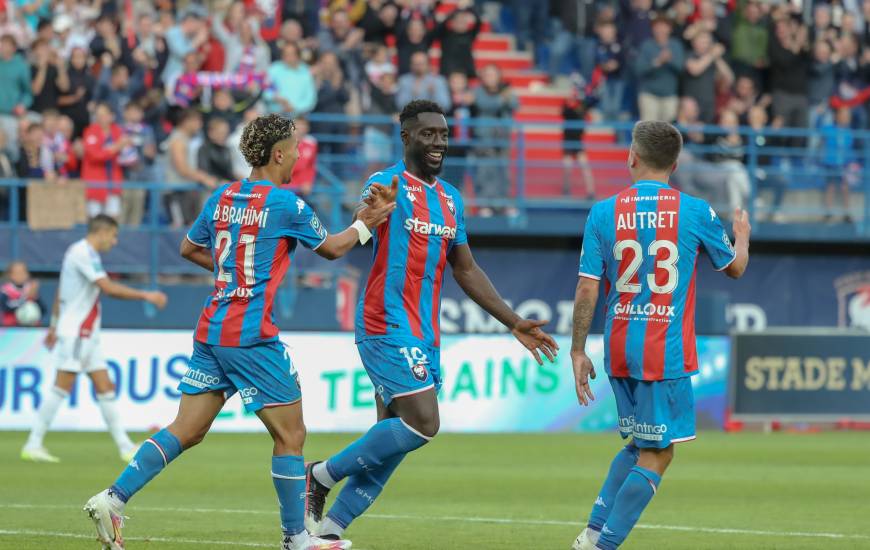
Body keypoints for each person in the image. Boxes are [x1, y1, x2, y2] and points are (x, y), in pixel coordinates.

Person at [83, 113, 398, 550]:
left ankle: (112, 499)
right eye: (295, 148)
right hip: (251, 336)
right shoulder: (286, 203)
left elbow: (189, 248)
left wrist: (234, 273)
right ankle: (297, 539)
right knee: (291, 436)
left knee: (185, 430)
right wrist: (369, 222)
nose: (299, 155)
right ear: (278, 153)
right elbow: (332, 249)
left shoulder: (221, 196)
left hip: (212, 330)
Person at [303, 100, 558, 543]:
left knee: (392, 441)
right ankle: (321, 475)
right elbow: (365, 214)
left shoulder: (451, 199)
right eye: (428, 134)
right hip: (385, 321)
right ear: (406, 138)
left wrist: (513, 321)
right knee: (424, 423)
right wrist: (372, 209)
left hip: (425, 331)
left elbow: (465, 269)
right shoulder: (386, 183)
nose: (438, 142)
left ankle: (331, 531)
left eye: (443, 135)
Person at [570, 120, 750, 550]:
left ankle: (592, 533)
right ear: (675, 163)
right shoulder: (695, 210)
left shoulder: (603, 212)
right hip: (662, 352)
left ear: (632, 156)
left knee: (638, 445)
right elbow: (735, 268)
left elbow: (587, 285)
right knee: (659, 453)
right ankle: (603, 545)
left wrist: (577, 349)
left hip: (617, 347)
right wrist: (741, 238)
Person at [21, 215, 168, 464]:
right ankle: (33, 444)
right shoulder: (83, 253)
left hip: (85, 333)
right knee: (61, 387)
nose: (114, 241)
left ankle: (124, 446)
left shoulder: (80, 253)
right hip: (78, 332)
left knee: (105, 387)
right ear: (102, 232)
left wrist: (54, 325)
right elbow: (108, 288)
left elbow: (61, 290)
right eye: (113, 235)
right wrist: (147, 295)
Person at [81, 102, 130, 219]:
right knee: (96, 221)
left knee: (113, 221)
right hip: (95, 183)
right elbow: (95, 155)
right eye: (98, 115)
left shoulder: (118, 131)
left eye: (103, 114)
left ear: (111, 116)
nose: (100, 118)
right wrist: (116, 147)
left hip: (113, 182)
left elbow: (128, 154)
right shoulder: (90, 131)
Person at [1, 260, 42, 326]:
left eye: (23, 272)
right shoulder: (6, 290)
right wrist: (25, 298)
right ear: (10, 275)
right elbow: (5, 307)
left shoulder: (31, 288)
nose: (20, 275)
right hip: (11, 329)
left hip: (32, 328)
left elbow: (43, 310)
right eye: (17, 273)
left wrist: (35, 298)